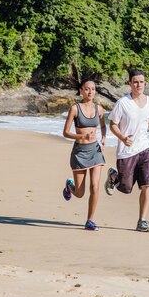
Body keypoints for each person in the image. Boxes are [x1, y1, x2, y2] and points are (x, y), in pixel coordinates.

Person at [107, 69, 149, 232]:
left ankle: (142, 221)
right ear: (130, 83)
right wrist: (123, 138)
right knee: (125, 188)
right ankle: (113, 176)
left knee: (147, 185)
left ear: (145, 83)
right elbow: (113, 124)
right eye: (135, 82)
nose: (139, 85)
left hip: (144, 149)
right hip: (126, 151)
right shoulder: (123, 103)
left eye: (141, 82)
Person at [62, 79, 107, 231]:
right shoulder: (75, 108)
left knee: (95, 186)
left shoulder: (99, 109)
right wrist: (80, 137)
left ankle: (90, 220)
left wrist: (103, 138)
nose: (90, 92)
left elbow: (103, 126)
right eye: (87, 89)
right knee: (80, 193)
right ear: (81, 90)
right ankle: (70, 186)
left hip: (95, 151)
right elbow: (66, 132)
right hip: (80, 153)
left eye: (93, 89)